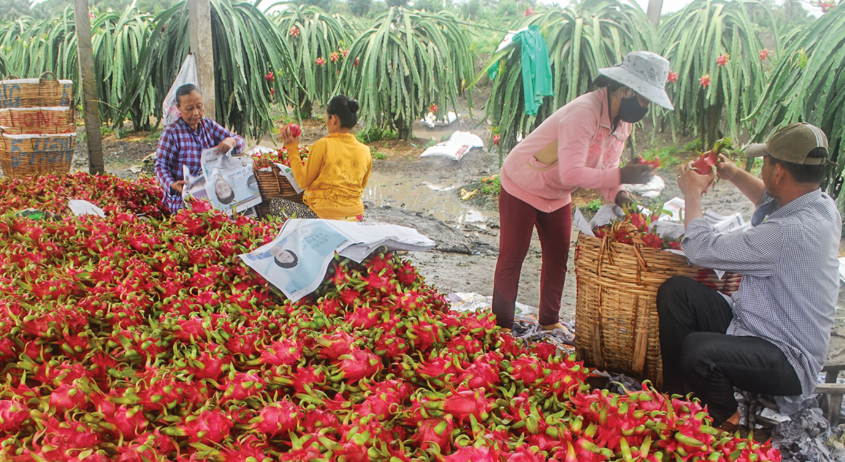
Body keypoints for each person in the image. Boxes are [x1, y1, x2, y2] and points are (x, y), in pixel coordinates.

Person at [658, 123, 840, 430]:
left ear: (779, 172)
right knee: (678, 293)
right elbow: (769, 200)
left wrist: (692, 194)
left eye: (765, 162)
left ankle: (725, 417)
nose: (762, 169)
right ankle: (681, 401)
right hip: (756, 324)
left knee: (698, 352)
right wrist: (732, 173)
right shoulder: (821, 206)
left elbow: (699, 249)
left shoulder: (785, 234)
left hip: (787, 357)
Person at [492, 51, 674, 332]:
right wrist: (623, 175)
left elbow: (607, 170)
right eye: (645, 100)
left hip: (556, 193)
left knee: (558, 259)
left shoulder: (622, 123)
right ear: (626, 89)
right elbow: (572, 173)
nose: (645, 108)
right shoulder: (584, 113)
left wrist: (623, 197)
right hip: (522, 183)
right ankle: (501, 326)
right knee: (512, 257)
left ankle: (550, 322)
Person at [277, 95, 372, 221]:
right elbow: (362, 184)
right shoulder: (365, 150)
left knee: (276, 206)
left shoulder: (323, 145)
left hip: (323, 216)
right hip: (356, 216)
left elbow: (302, 182)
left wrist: (292, 148)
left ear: (333, 119)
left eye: (326, 117)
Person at [155, 84, 245, 213]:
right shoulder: (171, 133)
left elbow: (240, 141)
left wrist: (232, 141)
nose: (196, 113)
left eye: (199, 106)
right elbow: (160, 165)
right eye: (189, 109)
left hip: (212, 195)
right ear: (179, 108)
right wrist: (171, 184)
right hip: (182, 199)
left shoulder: (209, 126)